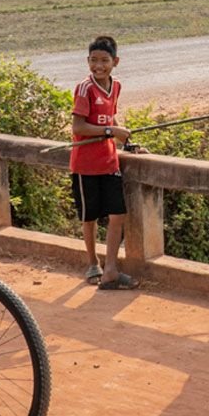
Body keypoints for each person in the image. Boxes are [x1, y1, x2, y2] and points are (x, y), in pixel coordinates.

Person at [70, 35, 145, 289]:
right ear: (87, 61)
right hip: (85, 164)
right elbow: (78, 126)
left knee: (117, 215)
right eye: (93, 61)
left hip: (109, 161)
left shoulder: (116, 86)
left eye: (104, 60)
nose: (98, 66)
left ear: (115, 61)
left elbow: (110, 119)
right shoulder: (85, 88)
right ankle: (93, 264)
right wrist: (111, 132)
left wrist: (125, 143)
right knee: (89, 217)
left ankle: (111, 269)